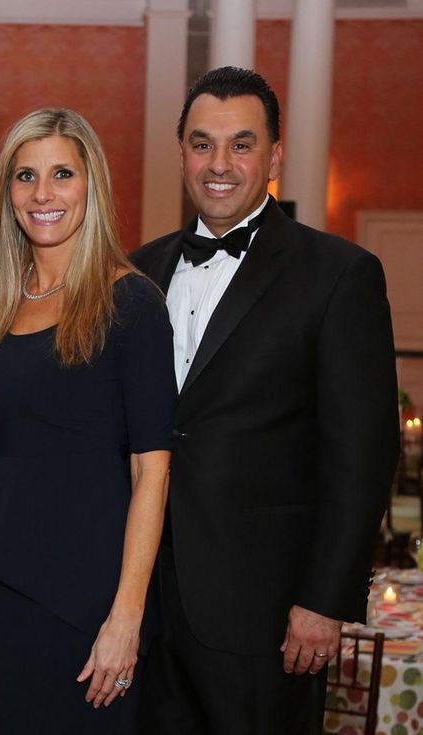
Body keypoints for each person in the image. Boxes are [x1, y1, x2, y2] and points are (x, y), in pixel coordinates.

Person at [131, 67, 399, 734]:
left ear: (274, 155)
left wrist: (324, 599)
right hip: (144, 605)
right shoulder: (137, 270)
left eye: (241, 144)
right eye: (201, 143)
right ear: (182, 151)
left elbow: (361, 454)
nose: (219, 164)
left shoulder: (339, 275)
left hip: (266, 612)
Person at [0, 108, 175, 733]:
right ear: (6, 192)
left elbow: (153, 472)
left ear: (89, 185)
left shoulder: (131, 302)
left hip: (90, 596)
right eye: (25, 176)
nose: (42, 194)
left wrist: (127, 618)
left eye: (62, 174)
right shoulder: (1, 303)